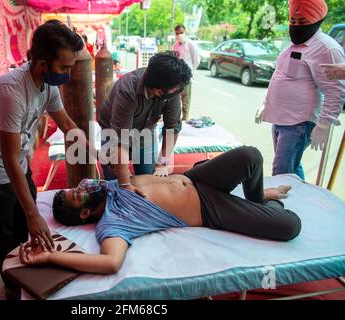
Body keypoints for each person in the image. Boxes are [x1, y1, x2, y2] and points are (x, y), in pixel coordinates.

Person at [18, 147, 301, 274]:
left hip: (198, 177)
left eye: (79, 186)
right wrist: (52, 256)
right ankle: (263, 203)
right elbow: (110, 263)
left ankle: (254, 199)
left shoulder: (113, 186)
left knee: (250, 156)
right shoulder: (112, 222)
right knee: (290, 226)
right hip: (208, 207)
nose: (85, 186)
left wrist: (125, 182)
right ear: (85, 214)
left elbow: (118, 150)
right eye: (80, 194)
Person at [0, 20, 92, 299]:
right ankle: (13, 289)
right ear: (42, 63)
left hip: (16, 164)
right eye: (64, 68)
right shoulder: (10, 91)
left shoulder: (47, 86)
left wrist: (91, 149)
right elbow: (8, 160)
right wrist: (33, 215)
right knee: (4, 237)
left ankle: (29, 277)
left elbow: (68, 124)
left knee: (25, 225)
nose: (68, 74)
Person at [256, 0, 344, 180]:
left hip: (298, 123)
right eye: (293, 22)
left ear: (316, 21)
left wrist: (323, 124)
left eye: (302, 22)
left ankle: (285, 207)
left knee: (282, 172)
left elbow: (335, 91)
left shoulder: (326, 48)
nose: (296, 27)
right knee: (291, 167)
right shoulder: (292, 46)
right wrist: (266, 105)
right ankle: (300, 201)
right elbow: (280, 77)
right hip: (281, 118)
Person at [97, 51, 192, 195]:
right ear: (160, 91)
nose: (180, 91)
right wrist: (125, 184)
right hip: (113, 133)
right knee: (115, 183)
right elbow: (120, 141)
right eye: (177, 90)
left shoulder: (172, 89)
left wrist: (162, 163)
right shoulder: (127, 89)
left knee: (148, 180)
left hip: (145, 134)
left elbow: (172, 128)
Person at [173, 24, 200, 121]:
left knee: (185, 100)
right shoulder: (175, 45)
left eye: (181, 32)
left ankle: (184, 119)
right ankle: (176, 119)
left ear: (185, 32)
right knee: (175, 99)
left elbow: (196, 60)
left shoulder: (191, 44)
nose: (179, 35)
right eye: (177, 33)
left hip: (187, 77)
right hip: (177, 76)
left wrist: (190, 71)